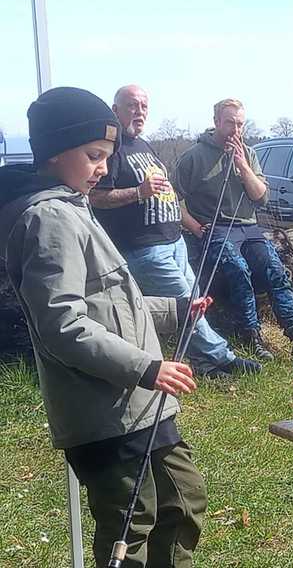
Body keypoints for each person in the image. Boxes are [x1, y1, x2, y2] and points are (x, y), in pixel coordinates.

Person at [0, 87, 208, 567]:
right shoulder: (49, 219)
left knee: (183, 499)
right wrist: (146, 367)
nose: (102, 167)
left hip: (141, 405)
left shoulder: (75, 207)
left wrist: (176, 309)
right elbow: (62, 324)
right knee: (131, 524)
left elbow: (112, 303)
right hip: (103, 412)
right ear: (55, 152)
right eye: (93, 155)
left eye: (107, 156)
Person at [89, 84, 260, 377]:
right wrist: (139, 192)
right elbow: (96, 197)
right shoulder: (111, 149)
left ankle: (203, 363)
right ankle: (224, 357)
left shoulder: (143, 145)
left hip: (173, 242)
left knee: (192, 302)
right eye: (132, 106)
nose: (139, 112)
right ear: (115, 110)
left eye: (144, 106)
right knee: (188, 303)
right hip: (144, 248)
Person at [173, 98, 293, 361]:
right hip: (216, 228)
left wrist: (243, 166)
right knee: (238, 270)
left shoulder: (248, 153)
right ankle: (252, 336)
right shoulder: (194, 157)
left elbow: (261, 197)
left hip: (248, 227)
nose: (235, 130)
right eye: (230, 123)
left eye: (240, 124)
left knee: (275, 270)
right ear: (216, 122)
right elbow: (171, 198)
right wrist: (195, 227)